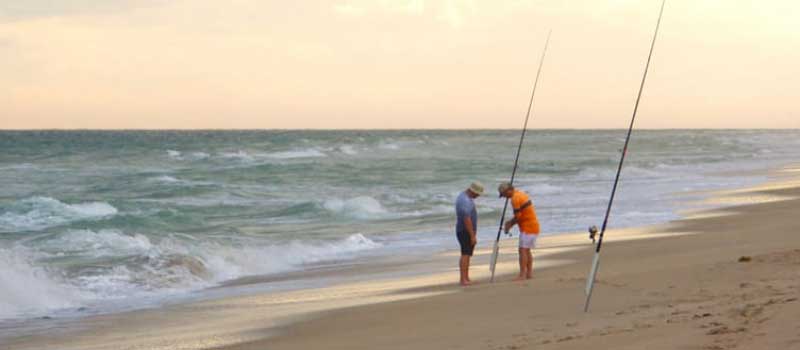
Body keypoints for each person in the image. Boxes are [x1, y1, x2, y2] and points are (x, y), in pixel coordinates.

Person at [498, 182, 540, 281]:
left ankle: (522, 275)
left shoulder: (514, 199)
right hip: (533, 226)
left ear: (508, 191)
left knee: (522, 251)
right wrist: (510, 223)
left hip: (528, 227)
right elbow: (520, 215)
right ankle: (529, 273)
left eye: (504, 194)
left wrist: (509, 225)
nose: (504, 197)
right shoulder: (521, 194)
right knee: (526, 250)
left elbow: (518, 217)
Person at [455, 182, 484, 286]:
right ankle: (463, 279)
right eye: (477, 194)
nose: (478, 196)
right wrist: (472, 236)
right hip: (465, 231)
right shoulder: (465, 201)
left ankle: (466, 277)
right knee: (465, 254)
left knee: (467, 254)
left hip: (466, 230)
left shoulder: (464, 197)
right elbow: (466, 219)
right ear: (472, 191)